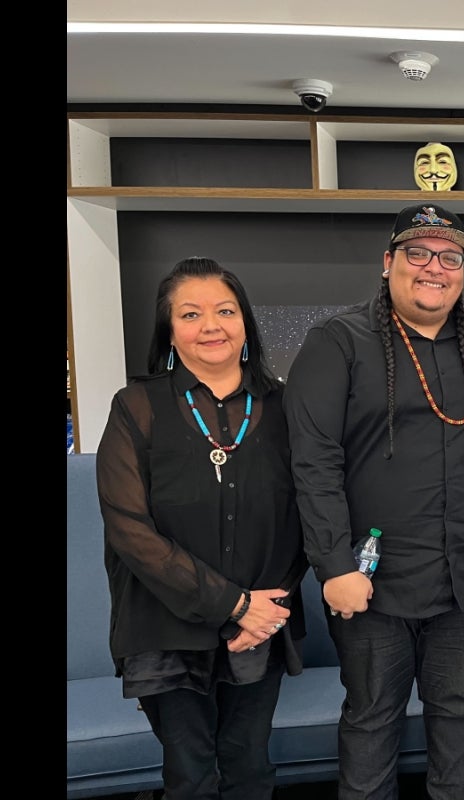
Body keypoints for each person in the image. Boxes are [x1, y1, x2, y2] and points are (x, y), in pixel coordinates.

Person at [284, 204, 464, 800]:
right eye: (418, 253)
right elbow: (313, 462)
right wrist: (333, 566)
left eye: (450, 256)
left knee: (462, 714)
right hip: (370, 584)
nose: (434, 267)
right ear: (388, 263)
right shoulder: (337, 342)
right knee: (371, 719)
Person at [96, 256, 308, 800]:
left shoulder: (287, 407)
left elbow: (313, 511)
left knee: (250, 769)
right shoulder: (136, 407)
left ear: (245, 323)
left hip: (261, 622)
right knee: (190, 777)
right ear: (170, 330)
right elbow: (129, 530)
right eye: (190, 314)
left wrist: (265, 609)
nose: (211, 326)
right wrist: (231, 604)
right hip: (166, 626)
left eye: (225, 311)